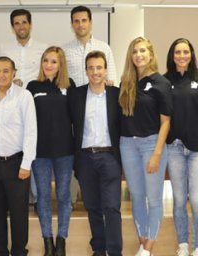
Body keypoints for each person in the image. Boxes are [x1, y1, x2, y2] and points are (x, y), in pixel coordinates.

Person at [119, 37, 172, 256]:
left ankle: (148, 248)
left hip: (152, 144)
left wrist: (157, 154)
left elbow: (166, 121)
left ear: (150, 54)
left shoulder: (161, 82)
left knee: (153, 199)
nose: (138, 55)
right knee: (137, 197)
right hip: (128, 144)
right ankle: (143, 241)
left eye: (142, 51)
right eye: (134, 51)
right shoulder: (126, 82)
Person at [68, 51, 122, 256]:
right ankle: (99, 249)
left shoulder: (116, 94)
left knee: (112, 207)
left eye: (99, 67)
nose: (95, 72)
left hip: (109, 157)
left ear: (105, 69)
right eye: (91, 68)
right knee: (93, 207)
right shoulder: (76, 95)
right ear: (86, 71)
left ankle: (115, 251)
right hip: (85, 158)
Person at [63, 5, 118, 208]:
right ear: (72, 24)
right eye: (76, 21)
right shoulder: (65, 50)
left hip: (100, 104)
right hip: (75, 110)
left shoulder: (105, 48)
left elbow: (111, 79)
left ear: (90, 22)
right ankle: (75, 199)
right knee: (79, 155)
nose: (80, 24)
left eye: (83, 20)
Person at [0, 56, 37, 256]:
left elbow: (31, 131)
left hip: (16, 163)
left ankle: (18, 251)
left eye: (6, 70)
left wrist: (26, 164)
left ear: (14, 73)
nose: (1, 75)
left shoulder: (24, 96)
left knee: (18, 214)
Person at [27, 46, 75, 256]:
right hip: (40, 152)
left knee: (64, 196)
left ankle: (61, 241)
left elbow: (77, 117)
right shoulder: (32, 86)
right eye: (46, 60)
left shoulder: (69, 85)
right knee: (43, 197)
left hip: (65, 151)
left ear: (61, 64)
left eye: (54, 61)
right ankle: (48, 241)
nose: (49, 65)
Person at [0, 9, 47, 207]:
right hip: (12, 107)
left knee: (33, 147)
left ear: (30, 24)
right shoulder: (4, 47)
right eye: (16, 23)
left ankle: (35, 196)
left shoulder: (42, 48)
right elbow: (0, 75)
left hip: (38, 105)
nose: (21, 26)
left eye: (24, 22)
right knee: (16, 149)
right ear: (12, 27)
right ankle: (18, 196)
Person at [165, 38, 198, 256]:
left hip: (196, 149)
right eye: (178, 52)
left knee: (196, 199)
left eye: (186, 52)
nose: (182, 56)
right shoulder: (164, 81)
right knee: (178, 199)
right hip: (174, 148)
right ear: (172, 55)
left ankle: (197, 246)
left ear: (191, 54)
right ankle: (183, 244)